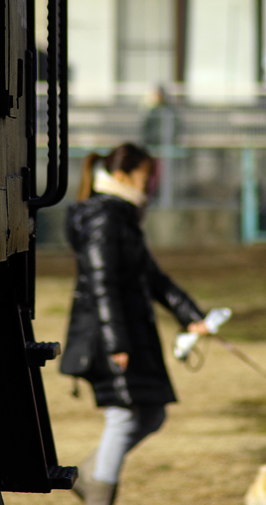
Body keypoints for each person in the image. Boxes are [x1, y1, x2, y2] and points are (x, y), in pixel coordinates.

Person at [59, 142, 210, 505]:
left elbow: (152, 276)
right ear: (122, 176)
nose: (152, 185)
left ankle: (89, 477)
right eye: (147, 177)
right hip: (108, 336)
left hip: (127, 331)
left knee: (151, 415)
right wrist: (116, 344)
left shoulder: (122, 215)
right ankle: (98, 494)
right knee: (124, 417)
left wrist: (191, 315)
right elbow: (102, 283)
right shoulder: (104, 217)